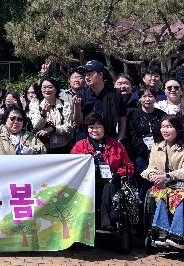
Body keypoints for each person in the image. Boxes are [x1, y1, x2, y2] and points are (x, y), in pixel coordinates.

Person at [72, 112, 134, 232]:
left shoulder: (116, 145)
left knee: (108, 188)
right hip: (88, 182)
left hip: (110, 182)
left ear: (104, 128)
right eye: (91, 127)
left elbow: (128, 166)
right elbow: (72, 166)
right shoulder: (80, 146)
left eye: (98, 127)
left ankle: (107, 224)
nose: (94, 130)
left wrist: (118, 175)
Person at [142, 115, 184, 249]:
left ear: (177, 128)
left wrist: (168, 176)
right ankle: (162, 233)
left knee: (180, 198)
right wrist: (152, 175)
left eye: (169, 127)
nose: (165, 130)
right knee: (160, 195)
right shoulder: (157, 147)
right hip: (164, 186)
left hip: (181, 185)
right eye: (163, 127)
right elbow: (150, 167)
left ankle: (178, 235)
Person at [125, 86, 166, 200]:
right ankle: (144, 205)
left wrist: (155, 152)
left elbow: (164, 135)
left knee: (158, 180)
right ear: (139, 99)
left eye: (150, 96)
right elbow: (133, 137)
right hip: (140, 154)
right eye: (144, 96)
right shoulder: (133, 115)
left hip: (159, 152)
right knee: (144, 181)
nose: (147, 99)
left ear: (156, 98)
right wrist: (147, 153)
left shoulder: (162, 115)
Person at [73, 60, 126, 142]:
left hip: (110, 140)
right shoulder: (81, 94)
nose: (87, 77)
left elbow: (122, 118)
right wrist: (77, 107)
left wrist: (120, 138)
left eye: (90, 74)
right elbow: (78, 123)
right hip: (86, 141)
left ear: (100, 74)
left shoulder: (115, 94)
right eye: (85, 75)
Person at [28, 77, 74, 154]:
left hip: (62, 148)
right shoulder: (35, 104)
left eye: (50, 87)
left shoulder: (65, 105)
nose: (47, 90)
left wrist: (53, 129)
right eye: (44, 87)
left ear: (56, 89)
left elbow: (69, 128)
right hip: (41, 148)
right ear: (41, 89)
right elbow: (35, 126)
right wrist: (43, 114)